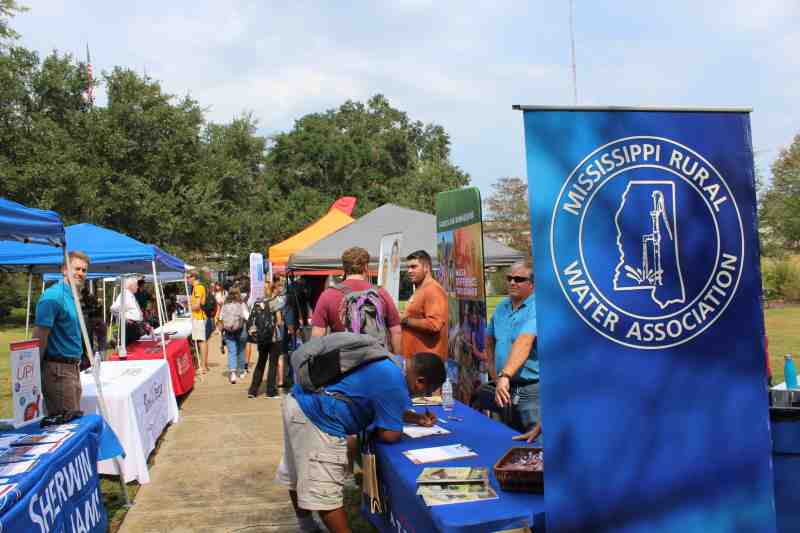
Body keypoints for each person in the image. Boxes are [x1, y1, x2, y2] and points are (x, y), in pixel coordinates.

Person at [276, 350, 446, 533]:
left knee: (297, 473)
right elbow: (389, 435)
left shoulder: (390, 362)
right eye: (425, 392)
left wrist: (417, 418)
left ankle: (307, 527)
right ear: (420, 381)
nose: (420, 396)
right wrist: (398, 424)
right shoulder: (397, 382)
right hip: (318, 417)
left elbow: (382, 404)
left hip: (297, 401)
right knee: (326, 494)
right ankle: (309, 528)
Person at [311, 247, 402, 353]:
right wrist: (397, 358)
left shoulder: (328, 295)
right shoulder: (381, 293)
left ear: (344, 268)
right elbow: (396, 331)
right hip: (376, 359)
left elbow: (318, 334)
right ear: (366, 267)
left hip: (344, 361)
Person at [32, 251, 90, 414]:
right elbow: (39, 337)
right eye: (77, 269)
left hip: (72, 369)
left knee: (73, 423)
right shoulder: (53, 296)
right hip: (58, 371)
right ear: (64, 269)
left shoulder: (72, 296)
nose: (81, 273)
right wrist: (34, 374)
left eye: (84, 270)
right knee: (67, 426)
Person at [486, 259, 540, 434]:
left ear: (532, 283)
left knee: (534, 445)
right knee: (504, 439)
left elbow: (525, 341)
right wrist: (495, 375)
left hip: (531, 390)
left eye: (518, 279)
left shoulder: (537, 307)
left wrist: (505, 374)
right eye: (509, 278)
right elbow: (489, 339)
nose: (512, 282)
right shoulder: (501, 307)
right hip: (503, 387)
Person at [400, 250, 448, 361]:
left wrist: (405, 320)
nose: (409, 271)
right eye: (408, 267)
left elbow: (435, 324)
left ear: (426, 267)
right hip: (417, 362)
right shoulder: (421, 288)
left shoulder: (433, 290)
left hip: (427, 364)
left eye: (413, 267)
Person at [247, 283, 283, 398]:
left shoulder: (257, 303)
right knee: (272, 364)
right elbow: (279, 321)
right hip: (273, 338)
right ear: (273, 290)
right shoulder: (274, 302)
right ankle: (271, 391)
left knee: (260, 363)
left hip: (261, 338)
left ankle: (253, 390)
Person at [219, 288, 248, 384]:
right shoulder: (241, 304)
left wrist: (221, 331)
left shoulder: (225, 305)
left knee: (232, 352)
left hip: (228, 331)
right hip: (240, 330)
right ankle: (242, 371)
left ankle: (232, 373)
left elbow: (220, 318)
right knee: (241, 350)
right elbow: (247, 316)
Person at [110, 277, 147, 346]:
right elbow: (114, 308)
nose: (137, 287)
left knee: (134, 347)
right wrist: (124, 318)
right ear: (131, 286)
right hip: (129, 327)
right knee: (130, 348)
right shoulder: (125, 295)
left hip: (133, 326)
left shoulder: (130, 295)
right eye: (136, 285)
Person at [188, 271, 209, 373]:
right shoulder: (198, 288)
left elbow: (196, 305)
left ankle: (204, 366)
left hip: (199, 316)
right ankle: (204, 364)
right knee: (201, 340)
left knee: (201, 341)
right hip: (198, 316)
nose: (187, 279)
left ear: (193, 277)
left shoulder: (197, 288)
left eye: (188, 277)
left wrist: (187, 307)